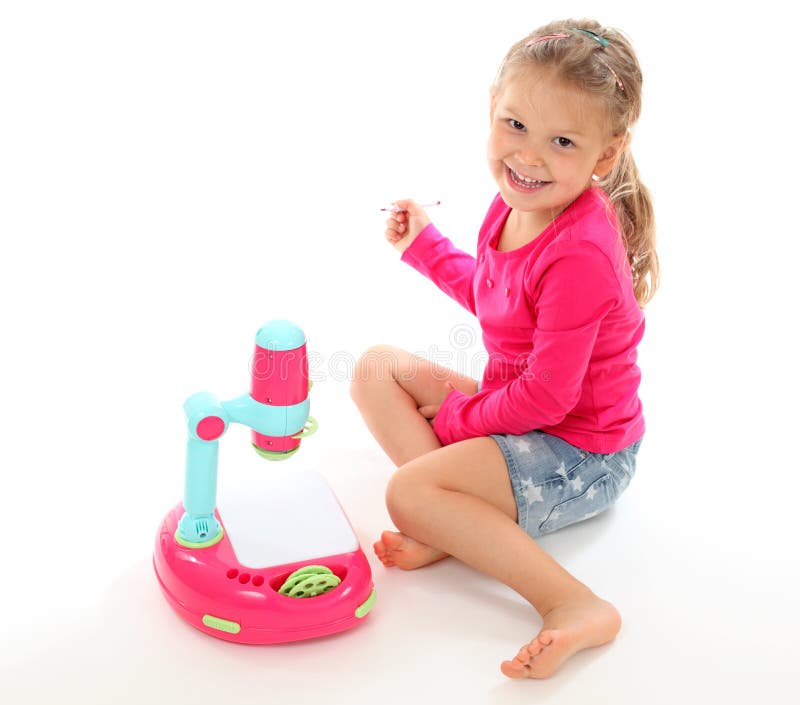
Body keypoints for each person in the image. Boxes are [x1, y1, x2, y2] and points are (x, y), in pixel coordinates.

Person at [350, 18, 659, 680]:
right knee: (376, 367)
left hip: (581, 449)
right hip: (523, 407)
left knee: (408, 491)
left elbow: (550, 397)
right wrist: (424, 248)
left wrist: (459, 422)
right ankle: (452, 516)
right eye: (515, 125)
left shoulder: (580, 251)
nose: (529, 155)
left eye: (563, 141)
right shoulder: (514, 203)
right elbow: (499, 297)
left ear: (604, 156)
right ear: (493, 108)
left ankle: (573, 602)